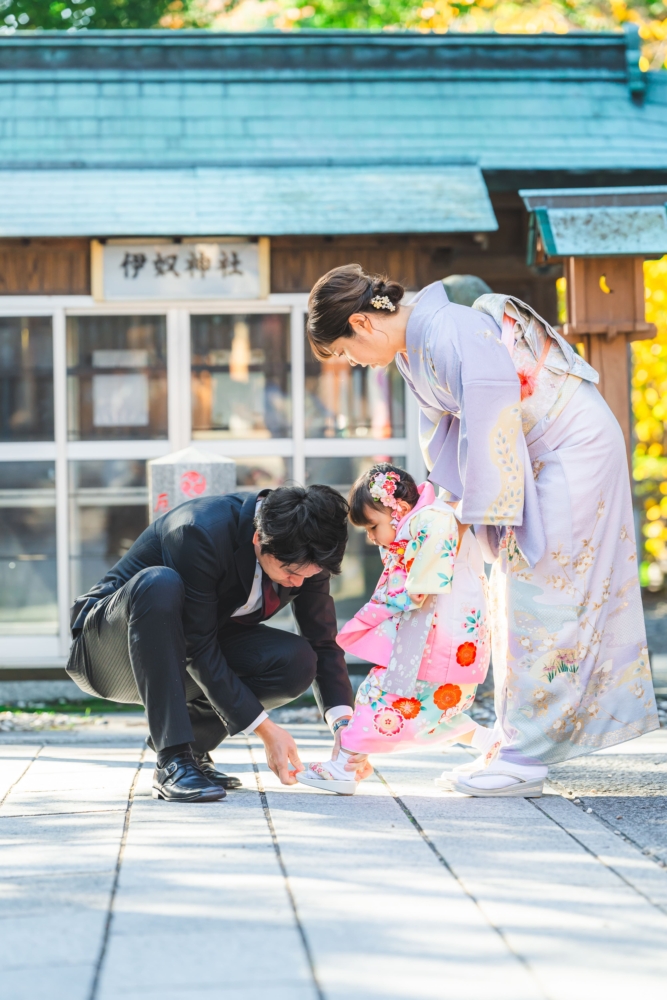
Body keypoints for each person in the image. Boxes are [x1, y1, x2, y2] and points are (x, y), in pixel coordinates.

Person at [306, 264, 659, 797]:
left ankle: (526, 755)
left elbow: (488, 423)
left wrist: (464, 511)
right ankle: (515, 739)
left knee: (542, 594)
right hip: (532, 455)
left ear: (362, 322)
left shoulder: (451, 331)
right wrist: (445, 505)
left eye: (345, 351)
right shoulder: (414, 350)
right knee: (510, 595)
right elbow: (453, 438)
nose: (353, 363)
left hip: (569, 447)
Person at [67, 485, 362, 802]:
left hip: (185, 649)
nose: (299, 583)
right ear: (257, 540)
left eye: (311, 574)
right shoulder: (199, 530)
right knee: (159, 583)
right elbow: (198, 645)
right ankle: (172, 760)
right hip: (106, 651)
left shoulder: (307, 548)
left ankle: (193, 749)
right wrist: (266, 730)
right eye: (290, 573)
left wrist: (347, 729)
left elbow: (322, 641)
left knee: (296, 660)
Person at [297, 463, 500, 795]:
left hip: (435, 639)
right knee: (434, 711)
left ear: (398, 509)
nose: (371, 536)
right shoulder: (429, 520)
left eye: (373, 526)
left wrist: (372, 613)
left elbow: (417, 588)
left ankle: (344, 766)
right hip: (448, 640)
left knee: (380, 694)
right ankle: (492, 744)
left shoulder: (431, 521)